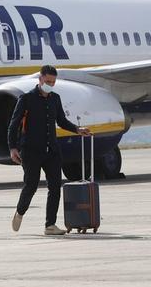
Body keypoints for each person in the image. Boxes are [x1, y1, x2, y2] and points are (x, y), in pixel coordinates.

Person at [7, 65, 91, 235]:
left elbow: (61, 121)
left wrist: (77, 129)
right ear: (40, 79)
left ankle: (50, 225)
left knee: (55, 186)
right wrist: (12, 148)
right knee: (31, 185)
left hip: (51, 150)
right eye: (47, 81)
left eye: (53, 82)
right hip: (30, 150)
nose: (50, 85)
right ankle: (20, 211)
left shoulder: (55, 99)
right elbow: (13, 125)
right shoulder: (26, 99)